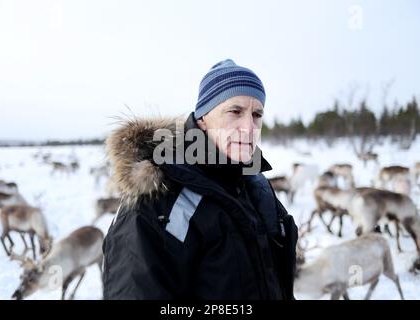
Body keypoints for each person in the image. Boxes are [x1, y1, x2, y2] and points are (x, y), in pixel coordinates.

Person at [102, 59, 298, 299]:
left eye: (257, 114)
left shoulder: (255, 187)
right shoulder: (156, 201)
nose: (249, 127)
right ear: (203, 119)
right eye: (235, 112)